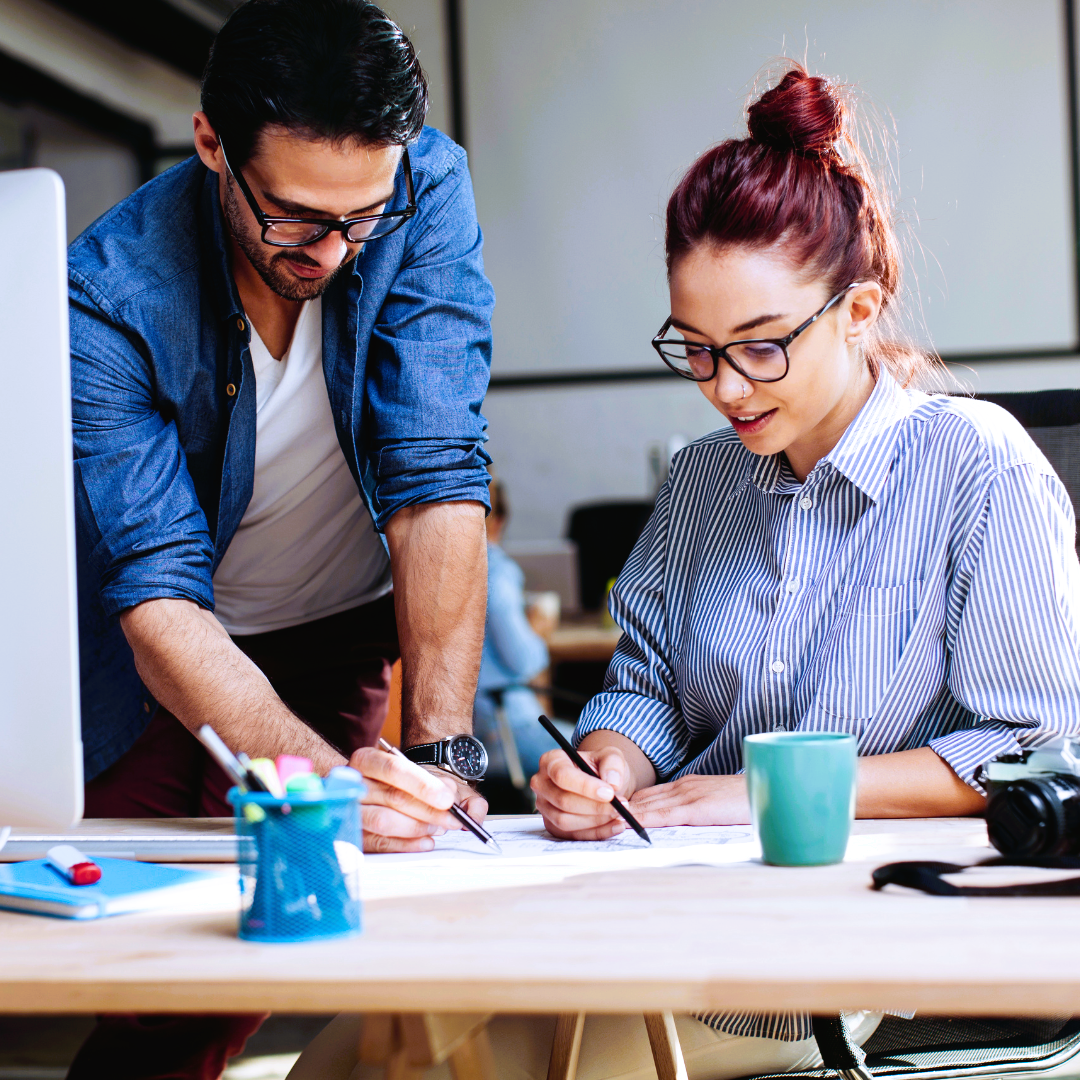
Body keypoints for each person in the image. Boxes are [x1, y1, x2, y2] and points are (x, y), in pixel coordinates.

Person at [523, 62, 1080, 1076]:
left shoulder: (978, 467)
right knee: (368, 1044)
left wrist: (771, 791)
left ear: (860, 310)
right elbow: (645, 692)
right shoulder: (701, 482)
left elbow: (1032, 751)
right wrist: (606, 765)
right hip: (669, 915)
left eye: (760, 346)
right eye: (694, 349)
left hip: (863, 951)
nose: (723, 387)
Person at [65, 1, 494, 1076]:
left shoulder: (423, 191)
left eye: (365, 218)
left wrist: (438, 758)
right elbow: (158, 590)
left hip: (338, 628)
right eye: (299, 220)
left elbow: (438, 471)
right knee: (155, 968)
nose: (340, 252)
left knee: (308, 921)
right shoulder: (109, 295)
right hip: (169, 652)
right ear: (211, 143)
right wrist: (323, 779)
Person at [474, 476, 561, 784]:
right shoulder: (496, 570)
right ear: (498, 519)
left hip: (470, 733)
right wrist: (539, 631)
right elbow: (522, 661)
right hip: (507, 730)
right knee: (598, 751)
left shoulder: (439, 568)